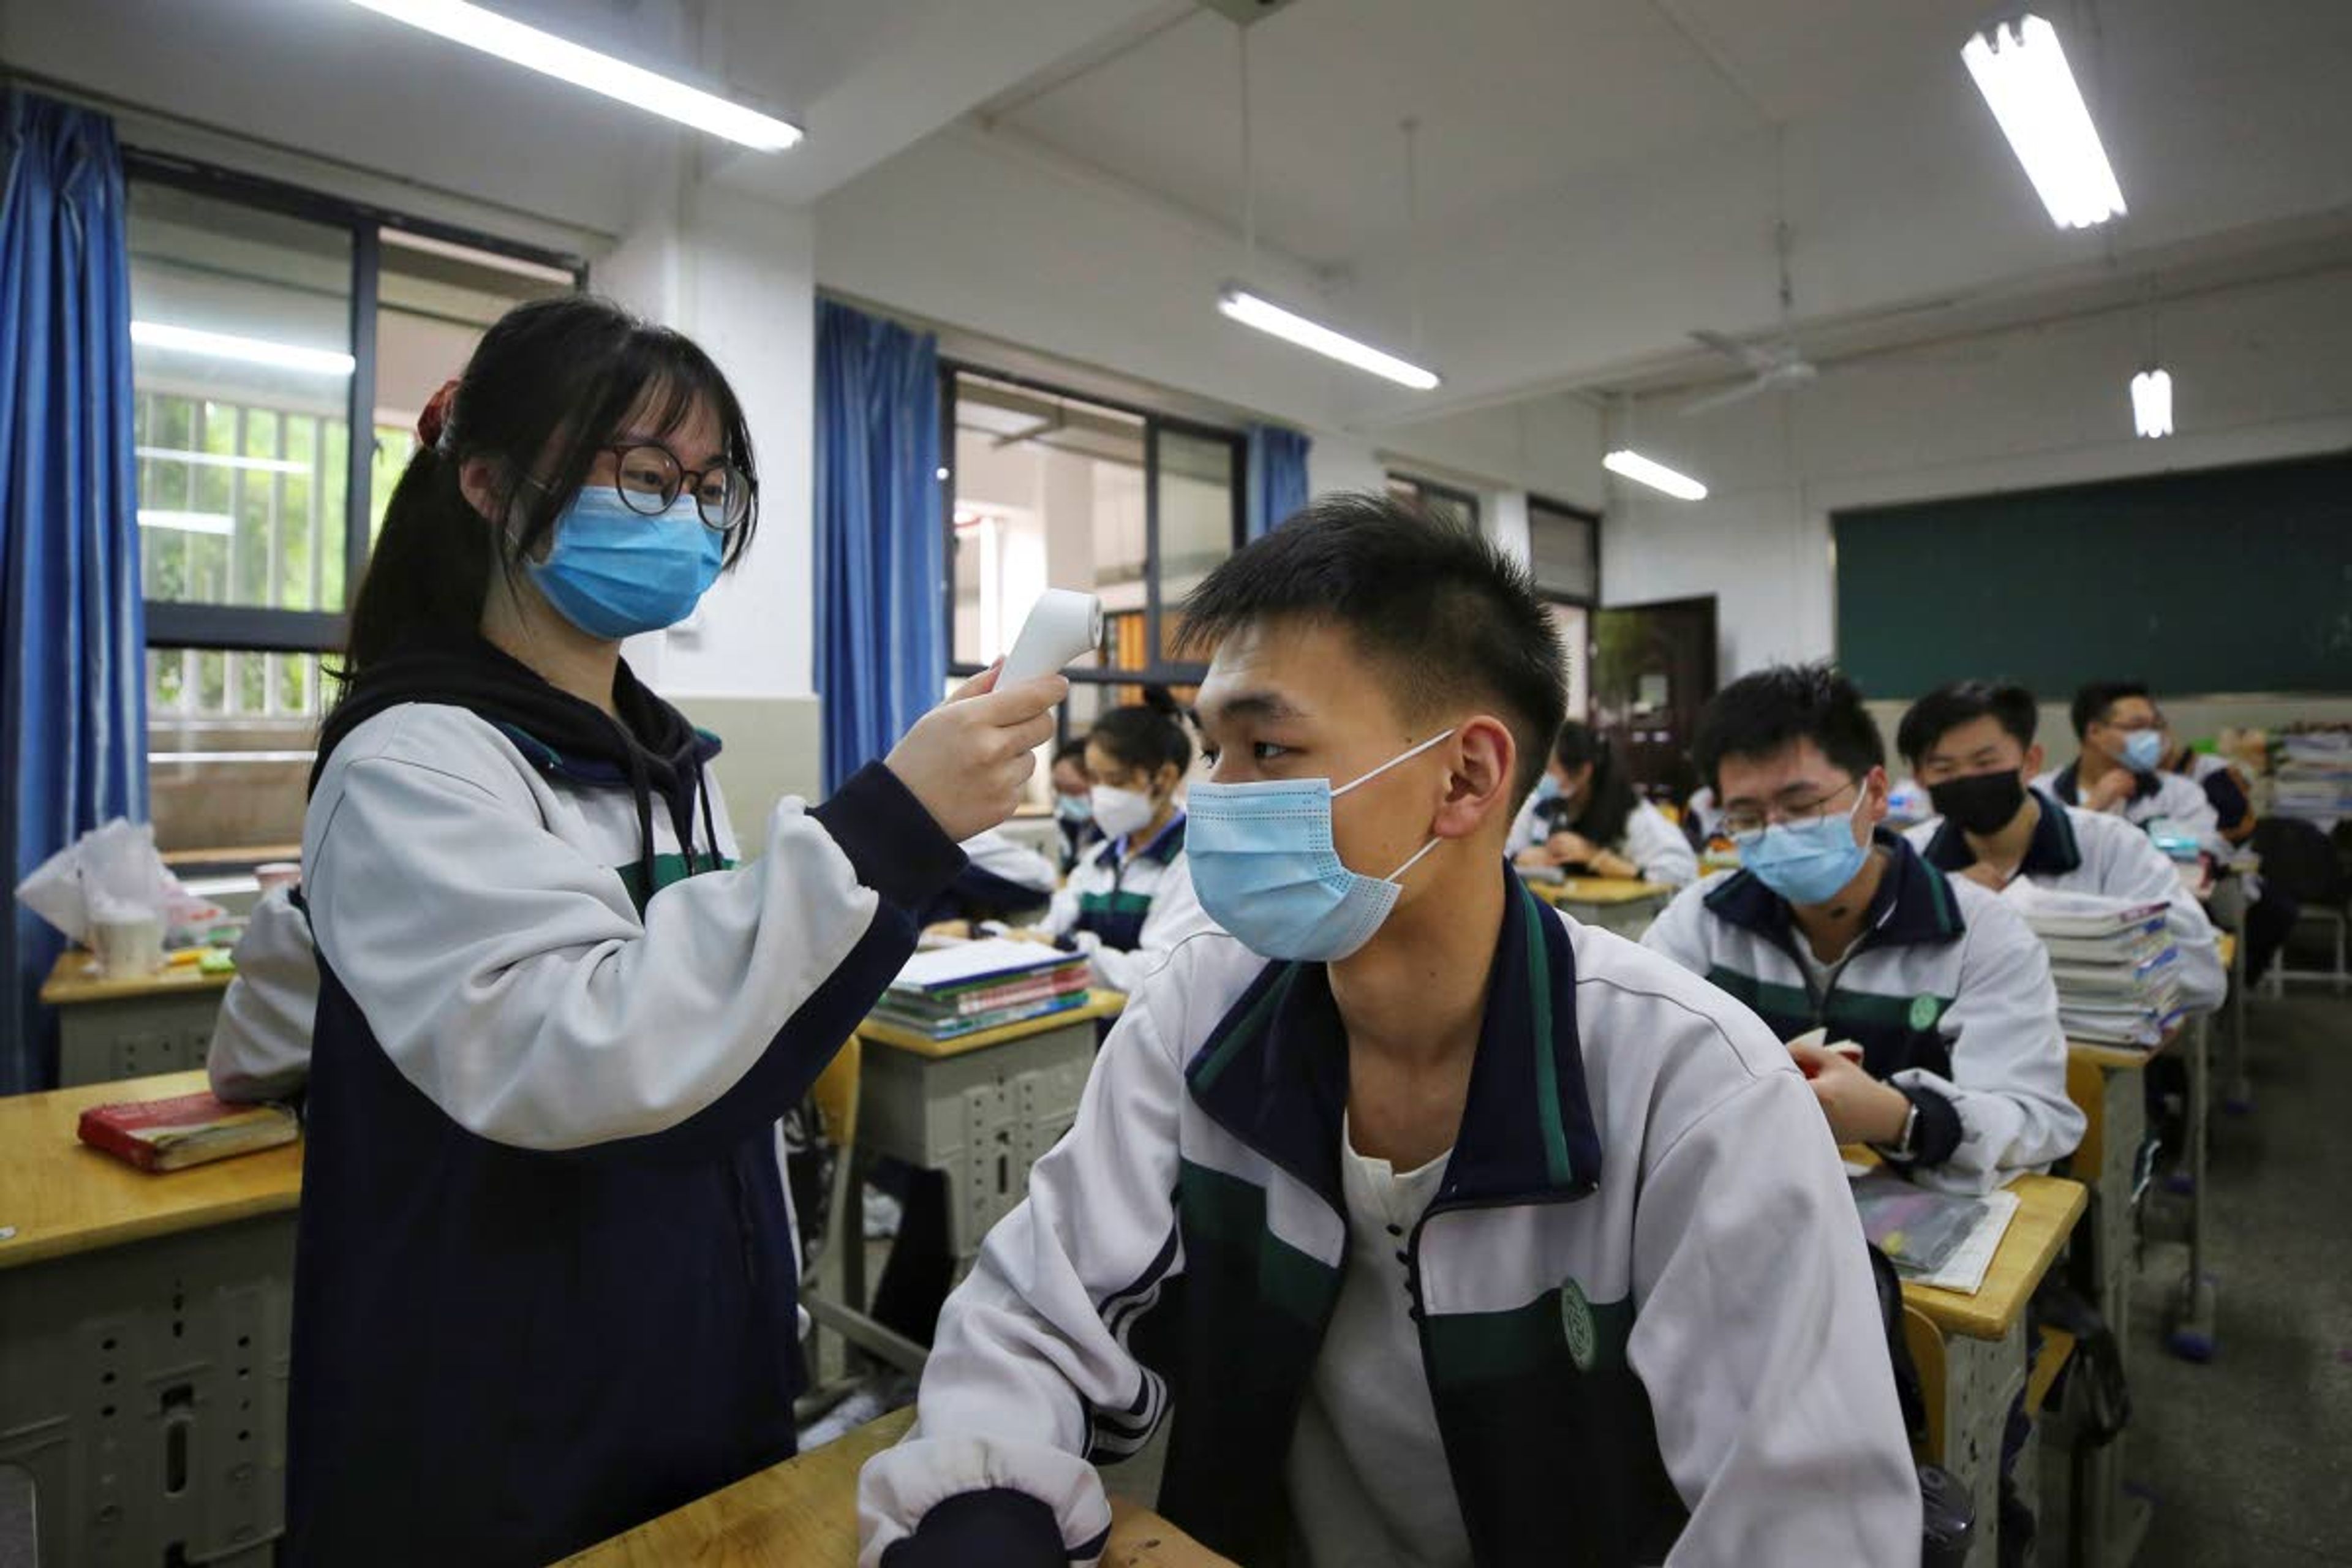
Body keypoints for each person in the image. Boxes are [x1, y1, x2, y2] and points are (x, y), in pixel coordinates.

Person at [859, 497, 1919, 1567]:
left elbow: (1807, 1531)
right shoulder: (1203, 1005)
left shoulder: (1695, 1091)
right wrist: (981, 1517)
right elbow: (1037, 1314)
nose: (1221, 798)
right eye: (1212, 750)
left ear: (1464, 779)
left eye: (1268, 747)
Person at [282, 296, 1065, 1566]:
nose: (690, 515)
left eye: (712, 485)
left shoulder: (659, 754)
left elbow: (713, 1031)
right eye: (646, 474)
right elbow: (590, 1048)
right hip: (505, 1393)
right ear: (486, 483)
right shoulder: (415, 760)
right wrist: (892, 822)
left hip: (690, 1337)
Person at [1643, 664, 2081, 1196]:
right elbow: (1638, 1061)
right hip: (1744, 1197)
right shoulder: (1702, 922)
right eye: (1747, 817)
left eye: (1803, 806)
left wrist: (1897, 1118)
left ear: (1874, 793)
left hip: (1915, 1213)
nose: (1777, 832)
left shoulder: (1978, 935)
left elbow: (2035, 1118)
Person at [1895, 680, 2224, 1015]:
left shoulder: (2114, 847)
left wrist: (2033, 911)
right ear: (1921, 779)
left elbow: (2203, 979)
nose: (1967, 778)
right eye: (1944, 769)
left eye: (1985, 763)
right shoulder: (1911, 858)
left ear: (2030, 763)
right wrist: (1944, 898)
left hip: (2091, 1054)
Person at [1020, 689, 1216, 993]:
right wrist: (982, 934)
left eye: (1114, 781)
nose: (1100, 795)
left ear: (1163, 778)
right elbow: (1048, 931)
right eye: (1094, 780)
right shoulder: (1100, 857)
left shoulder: (1193, 862)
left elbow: (1159, 971)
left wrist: (1066, 951)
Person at [1507, 719, 1697, 886]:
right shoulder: (1541, 807)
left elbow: (1682, 871)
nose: (1542, 779)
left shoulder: (1631, 815)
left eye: (1550, 770)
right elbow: (1499, 855)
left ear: (1583, 772)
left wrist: (1596, 857)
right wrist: (1520, 858)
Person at [2038, 681, 2223, 850]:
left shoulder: (2180, 793)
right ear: (2094, 732)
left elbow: (2207, 847)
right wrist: (2091, 808)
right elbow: (2031, 853)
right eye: (2137, 727)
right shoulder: (2042, 792)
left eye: (2154, 727)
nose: (2152, 738)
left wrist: (2149, 834)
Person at [1050, 736, 1098, 870]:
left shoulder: (1118, 833)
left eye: (1072, 790)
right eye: (1058, 789)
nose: (1064, 798)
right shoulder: (1072, 827)